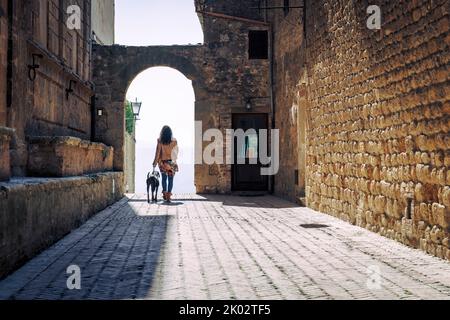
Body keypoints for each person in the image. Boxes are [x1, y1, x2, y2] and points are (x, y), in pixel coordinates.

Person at [153, 126, 179, 203]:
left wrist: (155, 162)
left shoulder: (160, 141)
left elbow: (157, 152)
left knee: (164, 179)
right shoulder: (174, 141)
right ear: (170, 133)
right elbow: (176, 152)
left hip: (163, 163)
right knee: (171, 179)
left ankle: (164, 193)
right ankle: (168, 196)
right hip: (171, 163)